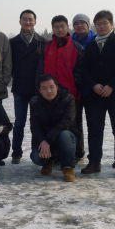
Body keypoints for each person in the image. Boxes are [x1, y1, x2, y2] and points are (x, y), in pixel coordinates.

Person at [80, 10, 115, 177]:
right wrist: (94, 85)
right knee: (95, 130)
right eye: (98, 24)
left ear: (111, 24)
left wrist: (111, 86)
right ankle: (94, 162)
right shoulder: (90, 46)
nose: (101, 26)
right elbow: (84, 69)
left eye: (105, 23)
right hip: (94, 96)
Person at [37, 15, 84, 162]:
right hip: (49, 94)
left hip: (71, 93)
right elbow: (40, 70)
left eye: (62, 26)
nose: (60, 29)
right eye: (56, 27)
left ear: (67, 27)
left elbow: (81, 69)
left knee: (75, 124)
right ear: (52, 28)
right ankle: (55, 154)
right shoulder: (47, 47)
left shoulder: (75, 46)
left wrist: (75, 82)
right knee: (52, 123)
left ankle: (78, 154)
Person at [9, 9, 45, 164]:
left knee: (37, 122)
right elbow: (8, 64)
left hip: (38, 88)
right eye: (25, 19)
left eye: (30, 19)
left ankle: (35, 152)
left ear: (35, 22)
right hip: (20, 87)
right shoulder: (12, 42)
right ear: (20, 22)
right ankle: (16, 153)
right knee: (19, 122)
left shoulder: (43, 42)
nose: (27, 22)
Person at [29, 74, 78, 182]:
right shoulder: (34, 101)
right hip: (44, 138)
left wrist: (48, 140)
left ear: (56, 86)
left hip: (64, 139)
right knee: (37, 158)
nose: (49, 91)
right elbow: (34, 125)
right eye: (44, 88)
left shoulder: (68, 98)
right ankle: (48, 162)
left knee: (65, 135)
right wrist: (42, 142)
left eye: (51, 87)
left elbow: (66, 122)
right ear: (40, 90)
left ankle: (67, 167)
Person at [70, 13, 96, 164]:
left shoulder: (96, 40)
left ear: (88, 24)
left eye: (82, 23)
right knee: (75, 124)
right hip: (76, 89)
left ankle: (95, 157)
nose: (79, 26)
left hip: (92, 89)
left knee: (93, 125)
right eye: (76, 23)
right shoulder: (70, 42)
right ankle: (78, 153)